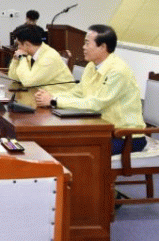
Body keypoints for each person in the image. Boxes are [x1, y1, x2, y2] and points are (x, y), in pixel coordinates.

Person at [34, 25, 146, 155]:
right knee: (60, 141)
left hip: (125, 136)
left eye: (87, 43)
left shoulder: (117, 71)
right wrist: (50, 96)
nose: (83, 47)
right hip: (101, 129)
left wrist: (54, 100)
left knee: (74, 151)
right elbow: (78, 92)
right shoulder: (92, 66)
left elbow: (95, 104)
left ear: (102, 47)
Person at [8, 25, 74, 102]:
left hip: (60, 101)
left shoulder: (49, 57)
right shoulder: (31, 55)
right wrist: (15, 60)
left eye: (19, 44)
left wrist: (22, 58)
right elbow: (14, 77)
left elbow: (28, 82)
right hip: (42, 98)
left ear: (27, 44)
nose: (18, 48)